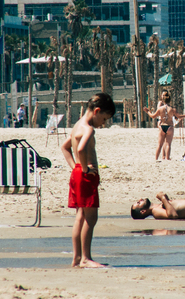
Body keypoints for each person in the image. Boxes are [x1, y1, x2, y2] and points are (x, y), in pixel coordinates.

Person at [61, 92, 115, 268]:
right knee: (90, 219)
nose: (103, 124)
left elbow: (65, 147)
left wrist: (75, 167)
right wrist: (85, 169)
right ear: (97, 111)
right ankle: (86, 258)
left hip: (77, 174)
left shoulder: (77, 125)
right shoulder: (88, 129)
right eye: (104, 119)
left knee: (80, 216)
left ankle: (77, 258)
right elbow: (82, 149)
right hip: (85, 176)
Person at [143, 92, 185, 160]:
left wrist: (148, 111)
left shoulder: (160, 109)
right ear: (170, 100)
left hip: (162, 126)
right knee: (168, 144)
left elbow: (153, 116)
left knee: (159, 144)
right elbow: (180, 116)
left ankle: (156, 158)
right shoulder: (172, 109)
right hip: (170, 127)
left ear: (163, 100)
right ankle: (167, 158)